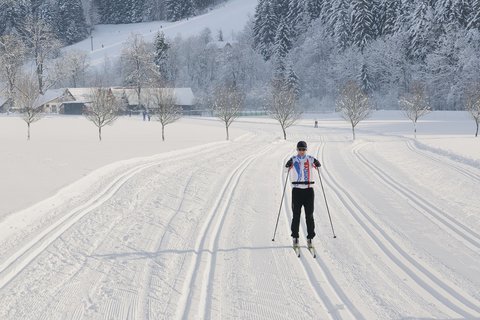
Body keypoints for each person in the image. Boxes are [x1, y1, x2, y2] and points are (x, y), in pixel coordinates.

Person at [285, 141, 321, 248]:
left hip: (309, 190)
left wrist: (317, 164)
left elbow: (320, 170)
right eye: (299, 149)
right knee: (296, 215)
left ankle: (310, 238)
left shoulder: (310, 159)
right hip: (297, 190)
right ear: (297, 150)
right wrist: (287, 165)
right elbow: (285, 171)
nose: (301, 151)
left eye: (303, 149)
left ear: (306, 150)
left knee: (309, 215)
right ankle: (295, 238)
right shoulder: (293, 159)